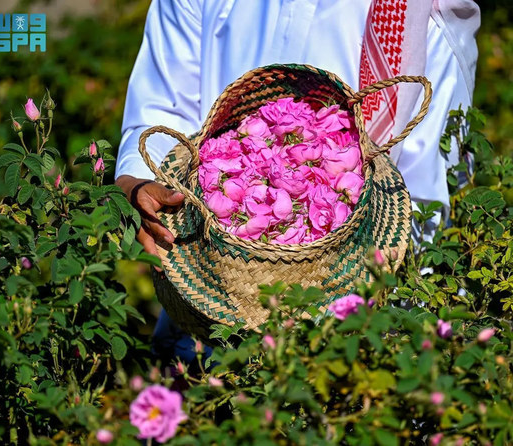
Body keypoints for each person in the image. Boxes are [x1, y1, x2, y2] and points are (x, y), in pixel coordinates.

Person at [115, 0, 480, 364]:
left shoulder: (417, 10)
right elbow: (160, 109)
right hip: (208, 298)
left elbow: (426, 204)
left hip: (352, 340)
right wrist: (139, 184)